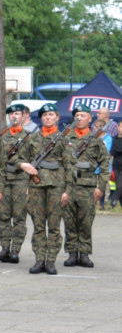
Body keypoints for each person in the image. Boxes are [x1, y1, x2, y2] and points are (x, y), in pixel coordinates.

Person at [17, 103, 71, 275]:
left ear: (57, 117)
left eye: (51, 114)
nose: (48, 117)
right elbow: (19, 158)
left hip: (56, 186)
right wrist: (24, 165)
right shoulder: (32, 138)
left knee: (54, 226)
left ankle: (51, 261)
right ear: (41, 118)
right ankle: (40, 259)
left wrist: (67, 191)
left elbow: (71, 166)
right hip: (36, 186)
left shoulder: (63, 140)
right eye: (45, 115)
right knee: (38, 225)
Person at [61, 104, 107, 268]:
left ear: (90, 118)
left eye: (83, 115)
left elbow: (104, 165)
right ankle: (72, 253)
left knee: (86, 222)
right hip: (69, 187)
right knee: (70, 221)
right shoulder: (65, 138)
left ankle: (85, 254)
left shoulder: (95, 140)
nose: (79, 118)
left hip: (87, 187)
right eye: (77, 115)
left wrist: (100, 187)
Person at [0, 103, 32, 264]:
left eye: (17, 113)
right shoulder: (0, 136)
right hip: (3, 180)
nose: (14, 116)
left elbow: (33, 162)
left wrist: (30, 185)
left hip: (21, 181)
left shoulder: (29, 137)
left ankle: (15, 250)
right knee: (3, 217)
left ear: (23, 116)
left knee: (19, 217)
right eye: (11, 114)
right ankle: (5, 248)